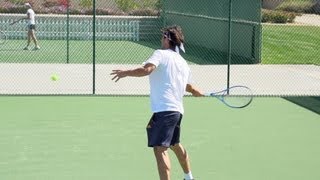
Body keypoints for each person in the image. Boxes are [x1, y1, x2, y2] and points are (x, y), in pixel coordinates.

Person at [110, 25, 203, 180]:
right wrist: (196, 92)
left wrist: (125, 73)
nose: (161, 40)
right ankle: (189, 177)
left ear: (167, 39)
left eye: (163, 37)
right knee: (174, 144)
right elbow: (190, 87)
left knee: (160, 149)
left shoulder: (160, 54)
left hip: (165, 110)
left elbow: (147, 70)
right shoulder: (183, 62)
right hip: (177, 112)